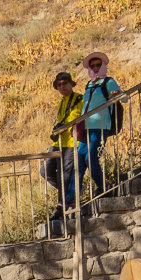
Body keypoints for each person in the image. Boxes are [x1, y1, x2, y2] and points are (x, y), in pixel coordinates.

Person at [77, 51, 121, 197]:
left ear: (103, 65)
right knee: (80, 158)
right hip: (86, 126)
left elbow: (124, 97)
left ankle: (103, 186)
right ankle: (74, 192)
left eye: (98, 65)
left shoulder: (109, 81)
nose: (95, 68)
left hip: (101, 125)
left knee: (91, 155)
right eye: (93, 65)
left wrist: (117, 95)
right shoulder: (89, 84)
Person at [45, 71, 83, 220]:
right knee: (46, 171)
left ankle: (62, 207)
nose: (62, 87)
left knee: (64, 175)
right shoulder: (61, 102)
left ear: (71, 84)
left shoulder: (79, 98)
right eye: (59, 84)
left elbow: (75, 116)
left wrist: (61, 127)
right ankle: (73, 191)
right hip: (58, 142)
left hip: (71, 141)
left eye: (64, 83)